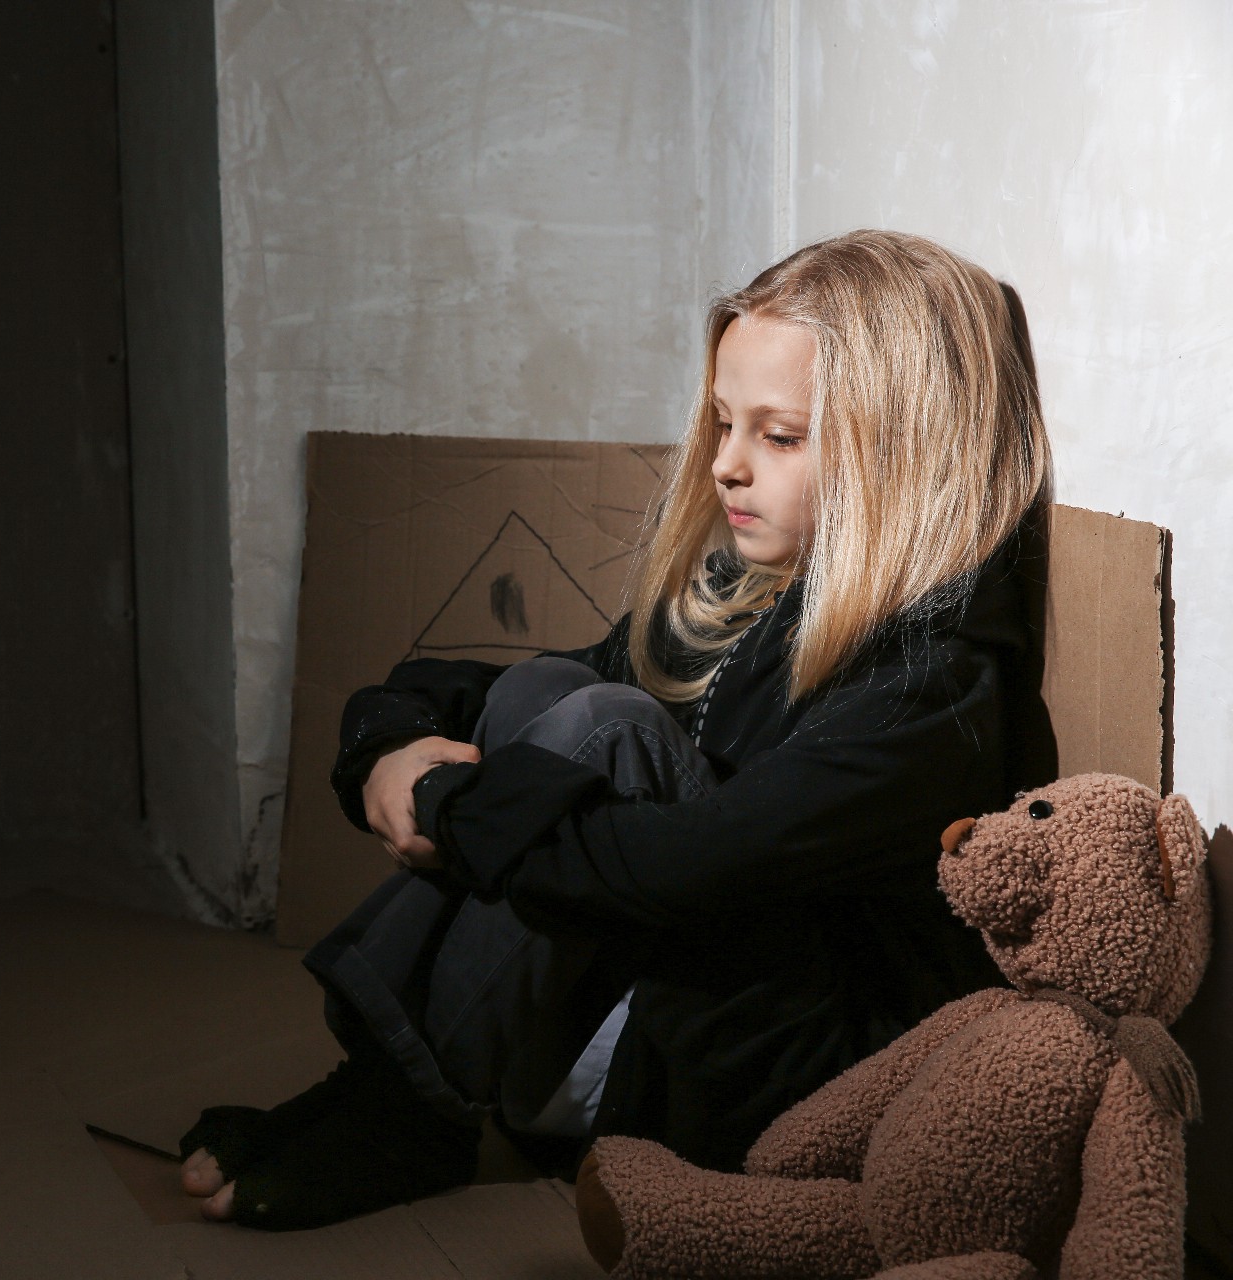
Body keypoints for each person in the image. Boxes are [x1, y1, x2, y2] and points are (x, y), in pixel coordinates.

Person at [180, 229, 1058, 1231]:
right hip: (655, 1024)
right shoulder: (757, 591)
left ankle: (403, 1103)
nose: (725, 465)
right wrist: (388, 744)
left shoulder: (933, 685)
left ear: (909, 448)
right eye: (723, 423)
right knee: (555, 690)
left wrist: (447, 802)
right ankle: (389, 1083)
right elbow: (505, 695)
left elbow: (687, 863)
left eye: (779, 436)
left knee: (604, 728)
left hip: (767, 1096)